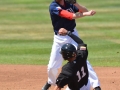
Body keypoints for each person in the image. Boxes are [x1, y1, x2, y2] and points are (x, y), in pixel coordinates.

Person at [42, 0, 101, 90]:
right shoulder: (53, 6)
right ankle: (51, 82)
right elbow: (70, 16)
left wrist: (75, 3)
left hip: (72, 35)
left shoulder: (69, 3)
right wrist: (87, 14)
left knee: (83, 60)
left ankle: (96, 85)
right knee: (52, 66)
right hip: (59, 39)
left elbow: (84, 10)